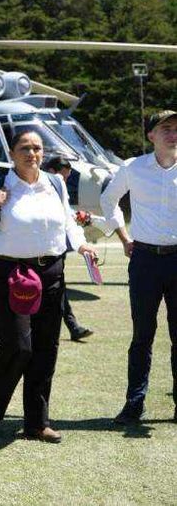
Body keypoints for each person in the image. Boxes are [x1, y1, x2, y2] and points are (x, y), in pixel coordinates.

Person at [0, 130, 99, 443]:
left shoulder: (54, 183)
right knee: (17, 346)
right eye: (24, 148)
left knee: (45, 348)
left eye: (37, 148)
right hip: (12, 273)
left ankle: (36, 423)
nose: (32, 153)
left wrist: (81, 245)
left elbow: (68, 221)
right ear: (12, 153)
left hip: (52, 272)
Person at [100, 109, 177, 425]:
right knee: (142, 335)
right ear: (151, 136)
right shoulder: (133, 168)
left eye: (176, 129)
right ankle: (134, 404)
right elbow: (108, 199)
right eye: (166, 129)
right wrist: (123, 237)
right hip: (144, 260)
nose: (173, 134)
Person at [41, 156, 94, 342]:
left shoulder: (58, 187)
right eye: (64, 177)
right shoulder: (36, 186)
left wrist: (78, 217)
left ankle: (72, 327)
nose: (65, 182)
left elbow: (65, 212)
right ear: (53, 172)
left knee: (58, 289)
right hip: (36, 251)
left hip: (55, 250)